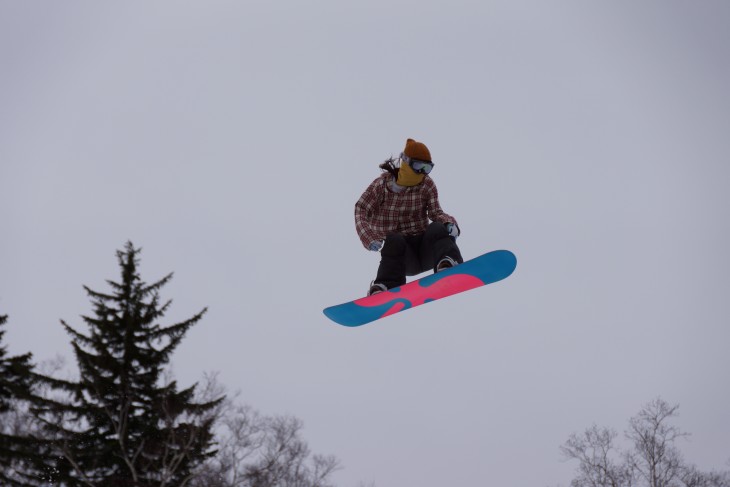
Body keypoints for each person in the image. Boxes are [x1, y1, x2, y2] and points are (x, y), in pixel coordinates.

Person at [354, 138, 464, 296]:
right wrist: (369, 238)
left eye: (427, 168)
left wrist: (449, 223)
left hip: (426, 249)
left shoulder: (426, 185)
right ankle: (385, 285)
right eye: (419, 167)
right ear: (405, 162)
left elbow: (436, 213)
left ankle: (447, 263)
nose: (422, 173)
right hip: (404, 258)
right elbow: (361, 209)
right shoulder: (381, 187)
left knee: (436, 228)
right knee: (394, 239)